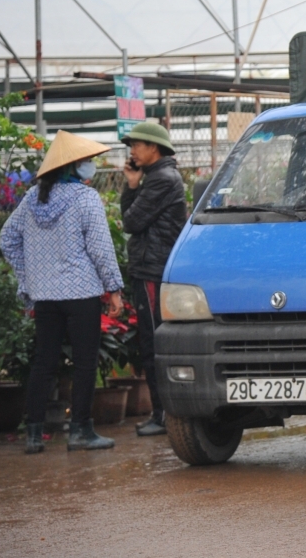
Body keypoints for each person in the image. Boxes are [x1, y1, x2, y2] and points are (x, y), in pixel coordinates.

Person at [0, 131, 125, 454]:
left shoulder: (31, 200)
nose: (90, 166)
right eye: (87, 161)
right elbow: (100, 249)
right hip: (80, 292)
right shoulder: (85, 199)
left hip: (46, 296)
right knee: (85, 363)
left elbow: (7, 239)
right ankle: (80, 431)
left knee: (44, 362)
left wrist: (29, 277)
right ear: (73, 166)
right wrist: (113, 289)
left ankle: (33, 434)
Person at [120, 122, 187, 437]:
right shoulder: (155, 178)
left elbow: (131, 221)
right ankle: (163, 412)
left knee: (153, 343)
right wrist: (132, 185)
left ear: (154, 147)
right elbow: (130, 218)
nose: (132, 150)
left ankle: (163, 414)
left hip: (153, 269)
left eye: (136, 144)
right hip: (150, 267)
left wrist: (133, 188)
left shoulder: (161, 179)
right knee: (152, 342)